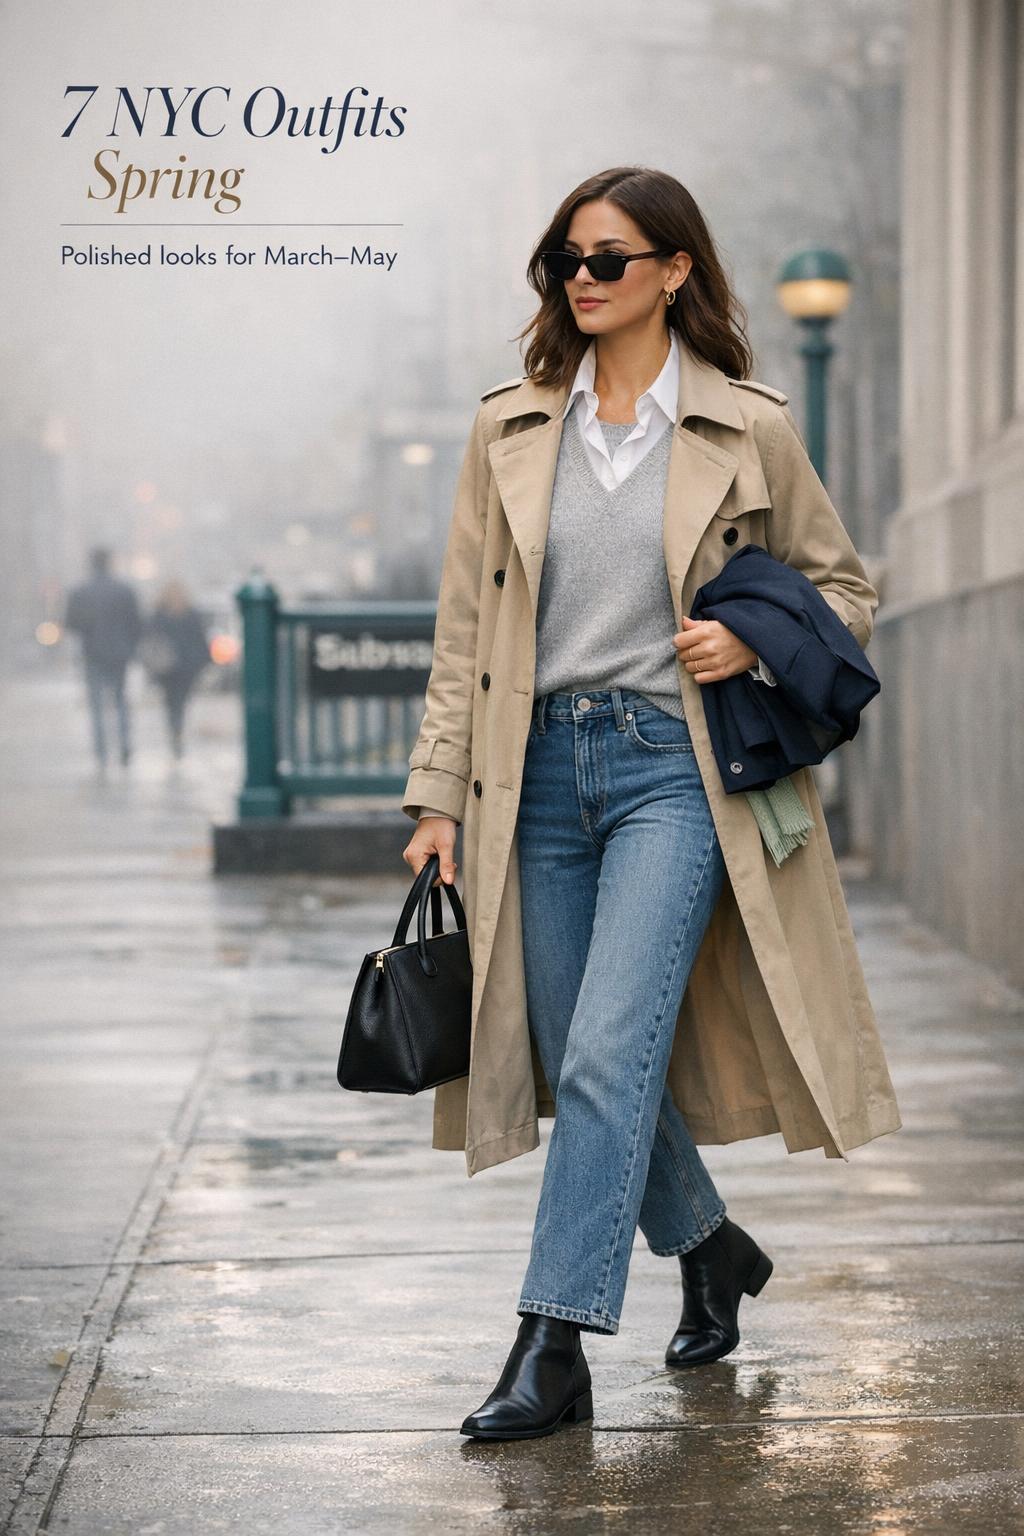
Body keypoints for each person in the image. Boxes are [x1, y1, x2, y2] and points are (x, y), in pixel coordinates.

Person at [400, 165, 901, 1442]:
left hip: (672, 774)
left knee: (611, 1052)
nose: (581, 278)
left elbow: (844, 591)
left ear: (673, 271)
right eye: (567, 259)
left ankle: (551, 1342)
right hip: (535, 779)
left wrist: (749, 645)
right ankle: (710, 1246)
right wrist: (437, 799)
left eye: (608, 258)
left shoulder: (746, 426)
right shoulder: (511, 427)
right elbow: (464, 635)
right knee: (584, 1062)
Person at [63, 546, 142, 768]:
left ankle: (101, 752)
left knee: (97, 706)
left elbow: (72, 624)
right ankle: (125, 745)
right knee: (120, 701)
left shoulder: (80, 592)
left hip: (93, 654)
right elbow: (136, 623)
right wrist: (128, 646)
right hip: (119, 654)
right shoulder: (124, 591)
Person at [139, 580, 211, 760]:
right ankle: (177, 731)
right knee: (180, 702)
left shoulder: (159, 613)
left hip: (168, 668)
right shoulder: (190, 613)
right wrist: (204, 662)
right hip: (185, 667)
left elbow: (150, 639)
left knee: (171, 703)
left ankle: (174, 731)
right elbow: (200, 640)